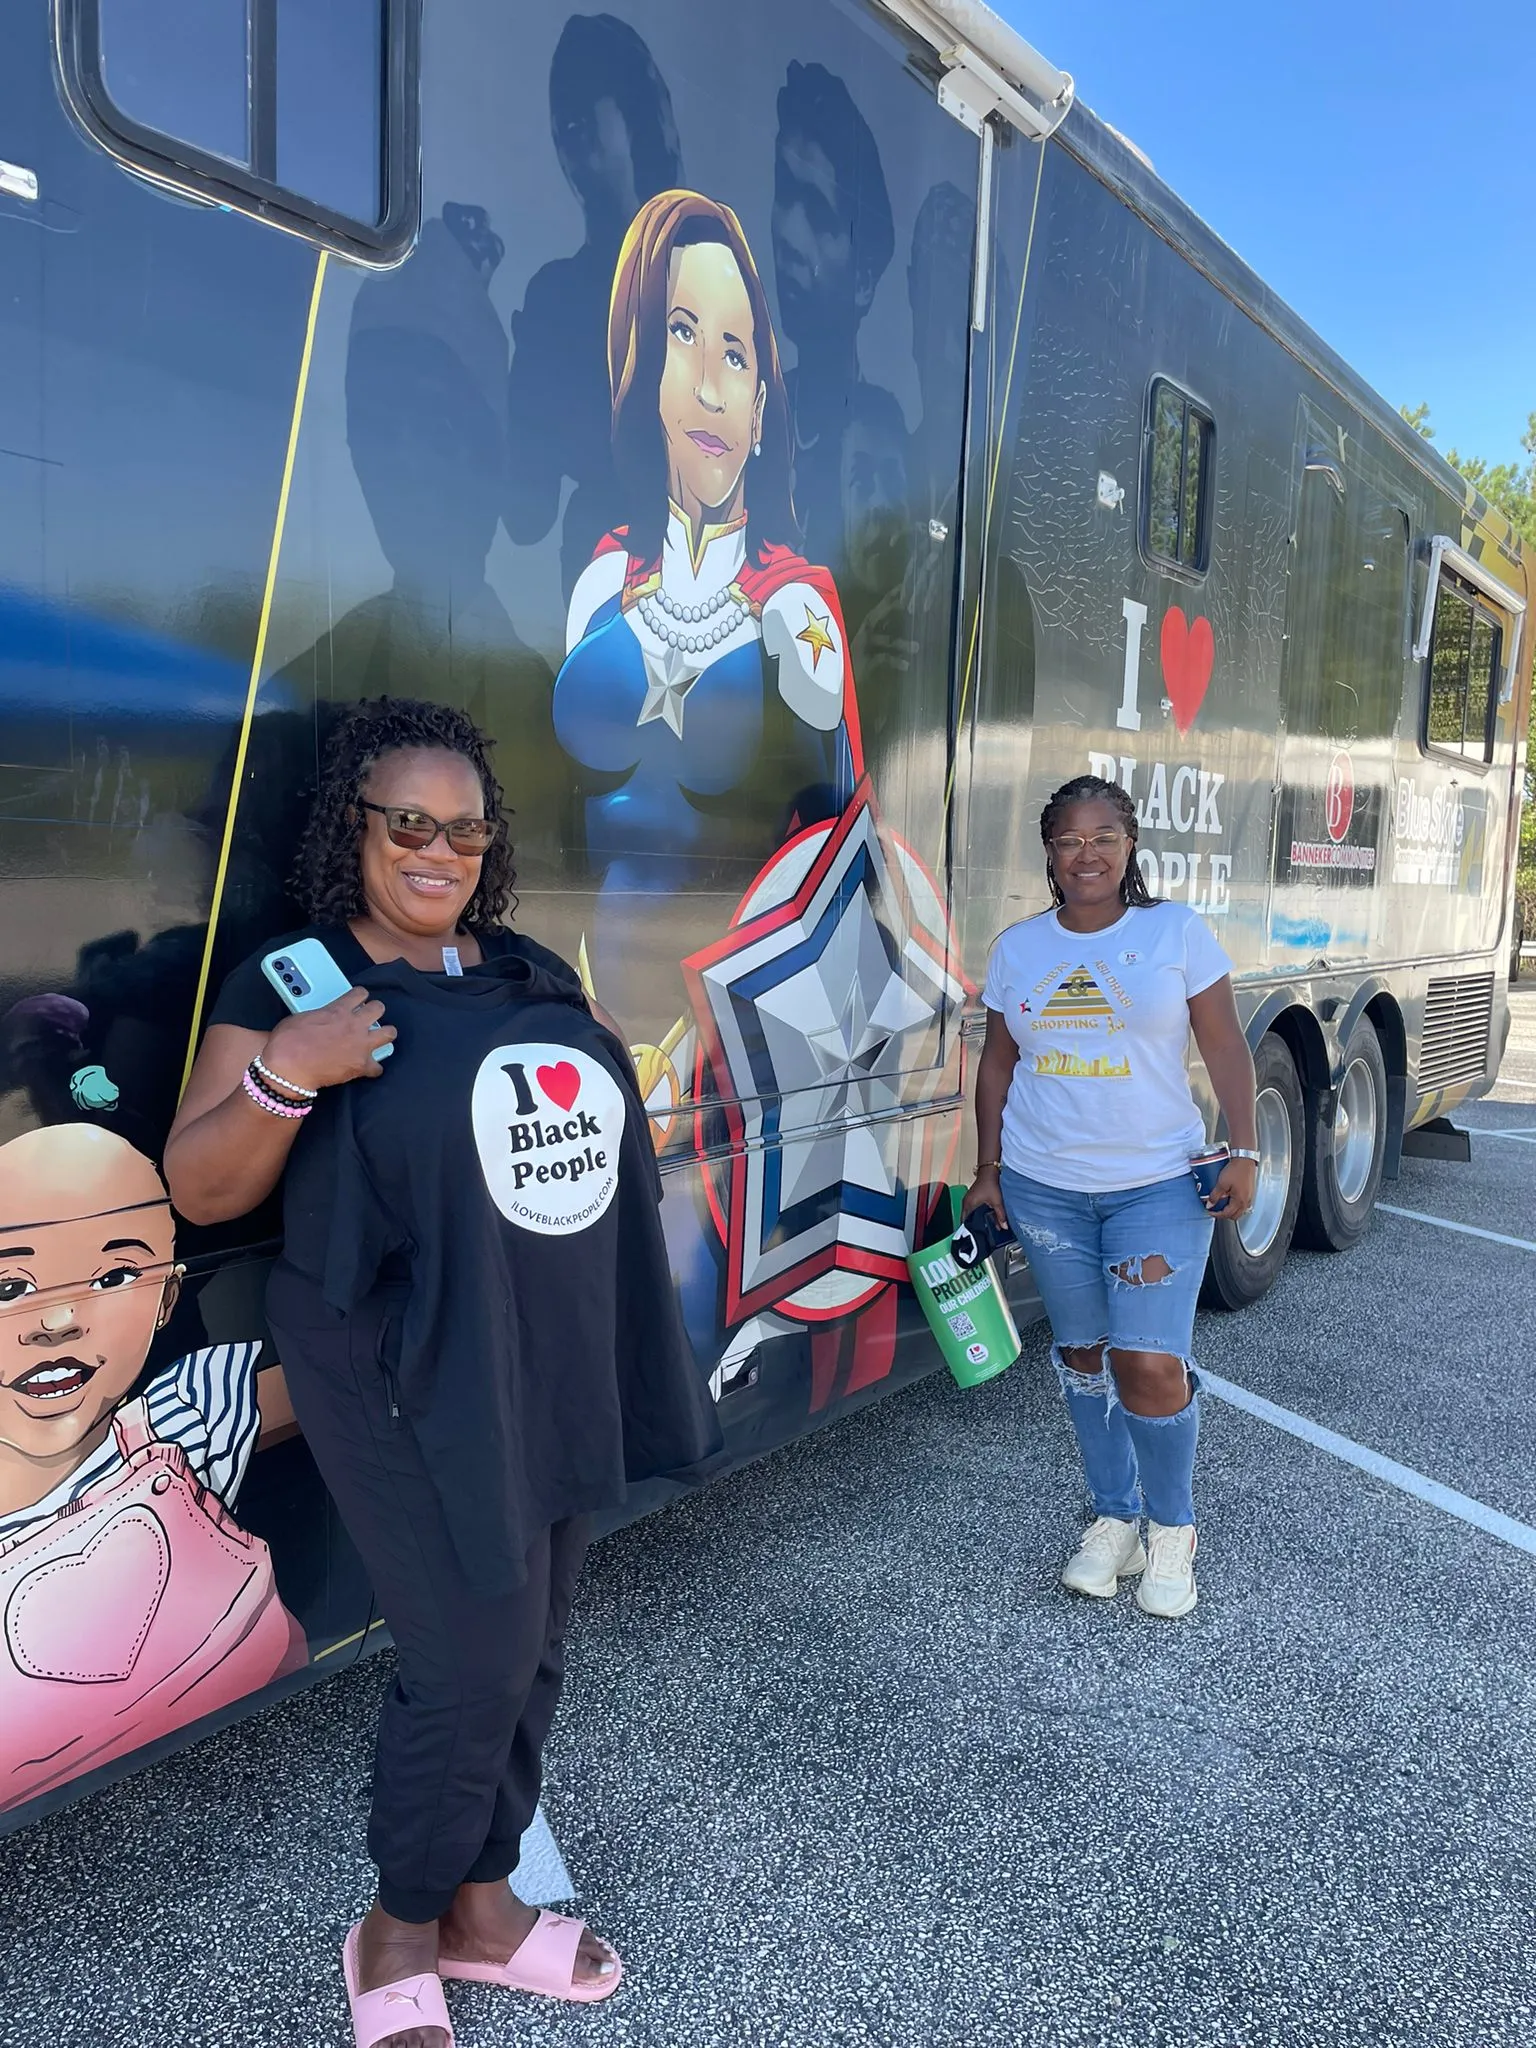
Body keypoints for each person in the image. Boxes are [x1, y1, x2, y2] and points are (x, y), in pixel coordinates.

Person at [164, 697, 721, 2048]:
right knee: (472, 1653)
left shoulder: (522, 965)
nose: (440, 851)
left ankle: (483, 1902)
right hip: (394, 1360)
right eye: (409, 823)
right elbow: (197, 1181)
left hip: (543, 1345)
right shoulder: (293, 982)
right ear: (353, 827)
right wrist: (289, 1074)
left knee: (533, 1642)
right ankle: (398, 1924)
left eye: (467, 830)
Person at [963, 775, 1258, 1619]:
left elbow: (1224, 1044)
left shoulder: (1175, 932)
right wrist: (987, 1169)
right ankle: (1115, 1518)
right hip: (1044, 1187)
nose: (1085, 854)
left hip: (1156, 1184)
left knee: (1148, 1362)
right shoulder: (1020, 948)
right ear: (1049, 854)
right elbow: (997, 1063)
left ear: (1130, 846)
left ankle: (1173, 1529)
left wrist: (1246, 1149)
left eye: (1103, 838)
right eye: (1068, 840)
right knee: (1084, 1356)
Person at [0, 1122, 304, 1812]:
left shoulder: (189, 1411)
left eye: (114, 1277)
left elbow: (346, 1377)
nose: (60, 1318)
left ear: (168, 1298)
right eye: (11, 1286)